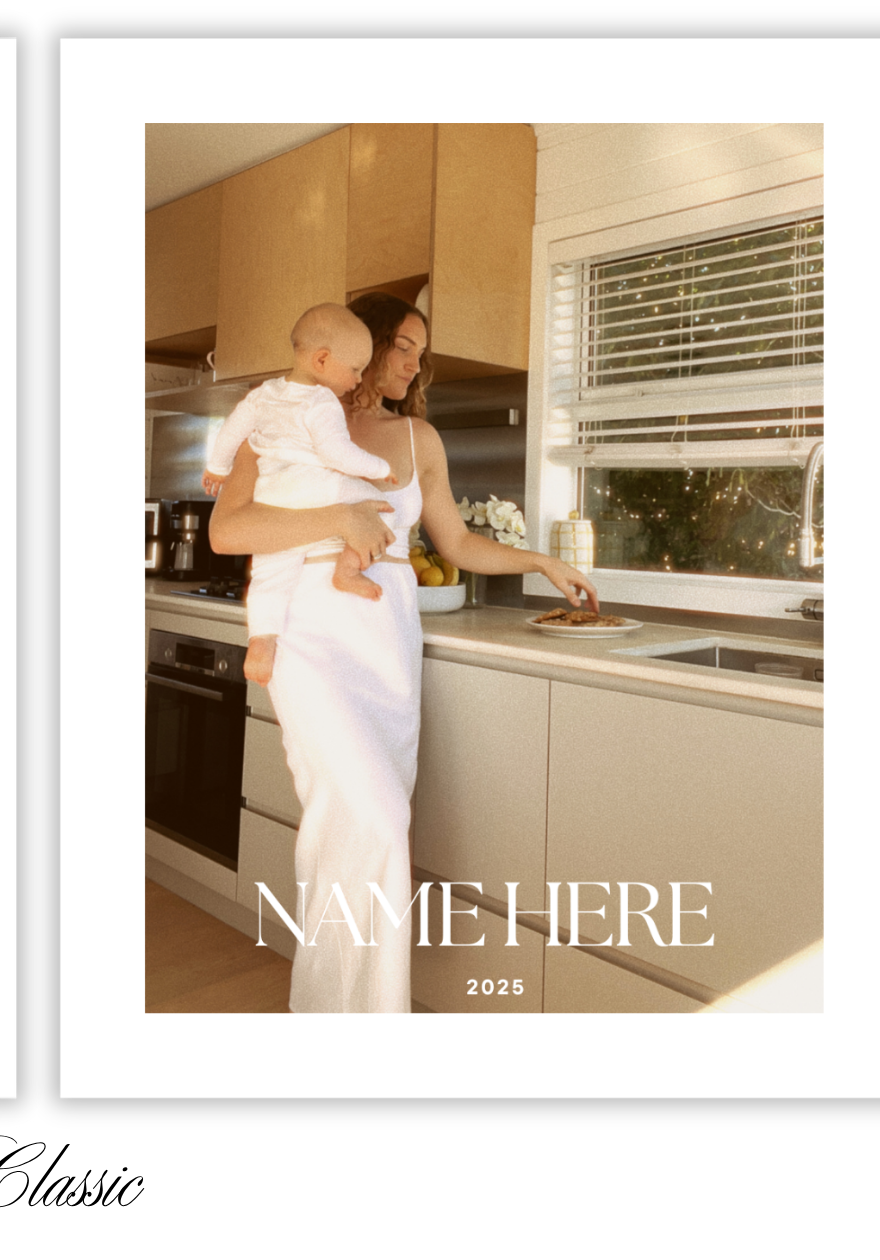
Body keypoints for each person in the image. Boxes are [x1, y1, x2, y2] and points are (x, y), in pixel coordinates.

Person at [207, 293, 598, 1013]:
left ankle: (334, 1017)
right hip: (309, 634)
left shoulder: (420, 438)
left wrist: (543, 562)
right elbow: (227, 532)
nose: (415, 364)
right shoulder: (286, 414)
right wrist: (337, 517)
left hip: (387, 650)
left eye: (423, 352)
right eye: (404, 346)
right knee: (376, 821)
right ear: (365, 344)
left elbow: (456, 544)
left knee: (350, 833)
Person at [198, 303, 403, 686]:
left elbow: (230, 431)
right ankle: (347, 569)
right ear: (322, 360)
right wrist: (380, 470)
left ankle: (261, 641)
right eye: (356, 368)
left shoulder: (263, 395)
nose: (358, 379)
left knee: (271, 569)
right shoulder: (321, 401)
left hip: (272, 492)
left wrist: (217, 468)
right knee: (383, 507)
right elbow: (337, 454)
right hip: (315, 486)